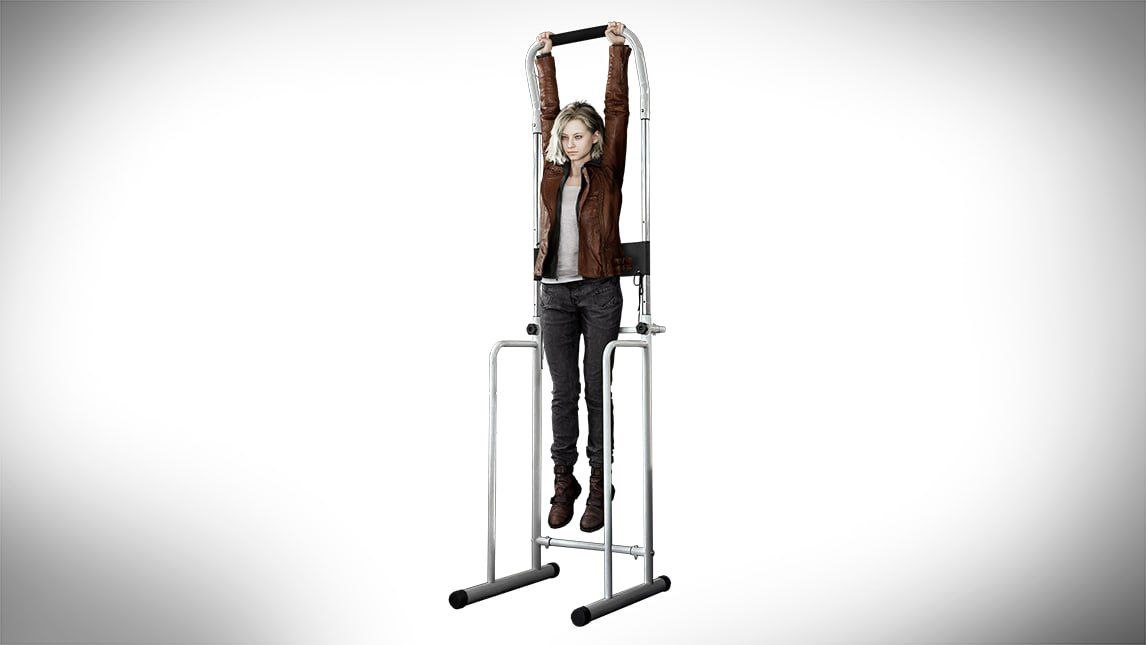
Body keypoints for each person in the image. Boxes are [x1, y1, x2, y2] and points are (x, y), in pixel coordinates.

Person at [533, 22, 632, 533]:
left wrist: (616, 52)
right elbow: (546, 112)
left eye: (578, 136)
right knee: (562, 392)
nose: (570, 144)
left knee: (596, 389)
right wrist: (545, 60)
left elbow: (618, 109)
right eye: (565, 137)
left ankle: (599, 482)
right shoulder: (552, 172)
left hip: (598, 292)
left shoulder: (607, 168)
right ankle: (563, 480)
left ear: (594, 138)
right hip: (554, 295)